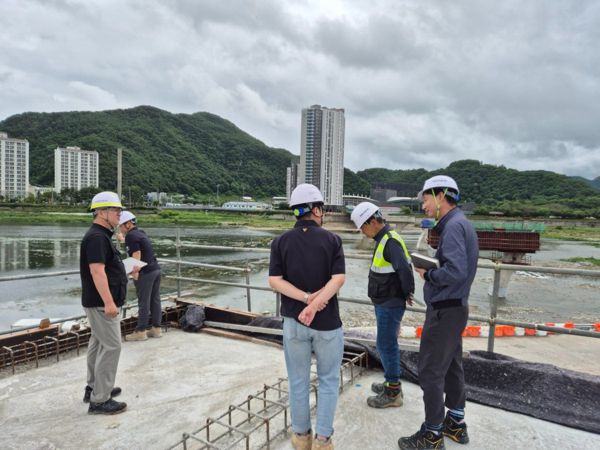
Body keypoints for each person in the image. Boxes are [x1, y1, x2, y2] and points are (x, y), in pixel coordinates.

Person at [398, 175, 478, 449]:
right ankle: (455, 422)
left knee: (431, 371)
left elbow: (455, 272)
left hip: (444, 311)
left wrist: (428, 273)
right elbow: (459, 268)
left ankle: (432, 434)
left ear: (440, 195)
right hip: (456, 308)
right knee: (452, 366)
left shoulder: (453, 227)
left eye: (425, 199)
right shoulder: (461, 223)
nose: (424, 206)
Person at [268, 184, 345, 450]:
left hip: (294, 321)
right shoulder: (332, 240)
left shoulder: (280, 242)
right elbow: (338, 279)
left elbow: (275, 280)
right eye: (323, 209)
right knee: (328, 380)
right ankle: (323, 440)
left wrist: (305, 299)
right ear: (316, 209)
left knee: (298, 380)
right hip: (327, 324)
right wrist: (317, 302)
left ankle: (301, 437)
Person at [350, 202, 414, 409]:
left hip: (390, 303)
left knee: (386, 345)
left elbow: (404, 269)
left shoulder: (390, 241)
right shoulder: (384, 239)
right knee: (385, 343)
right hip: (385, 301)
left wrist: (407, 293)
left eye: (362, 226)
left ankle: (393, 392)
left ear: (372, 221)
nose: (362, 231)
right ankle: (390, 383)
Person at [80, 191, 128, 415]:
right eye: (115, 210)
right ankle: (100, 400)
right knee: (112, 346)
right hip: (101, 304)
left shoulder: (100, 236)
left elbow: (105, 268)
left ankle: (94, 388)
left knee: (98, 343)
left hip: (97, 302)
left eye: (119, 210)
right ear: (101, 212)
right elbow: (97, 272)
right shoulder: (97, 238)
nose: (119, 214)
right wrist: (109, 303)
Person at [118, 211, 162, 341]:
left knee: (143, 302)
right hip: (155, 269)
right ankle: (156, 329)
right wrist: (123, 239)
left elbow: (136, 253)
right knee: (155, 300)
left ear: (128, 224)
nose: (120, 228)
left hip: (145, 272)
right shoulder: (140, 233)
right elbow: (137, 245)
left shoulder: (131, 236)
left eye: (121, 225)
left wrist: (135, 272)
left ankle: (141, 331)